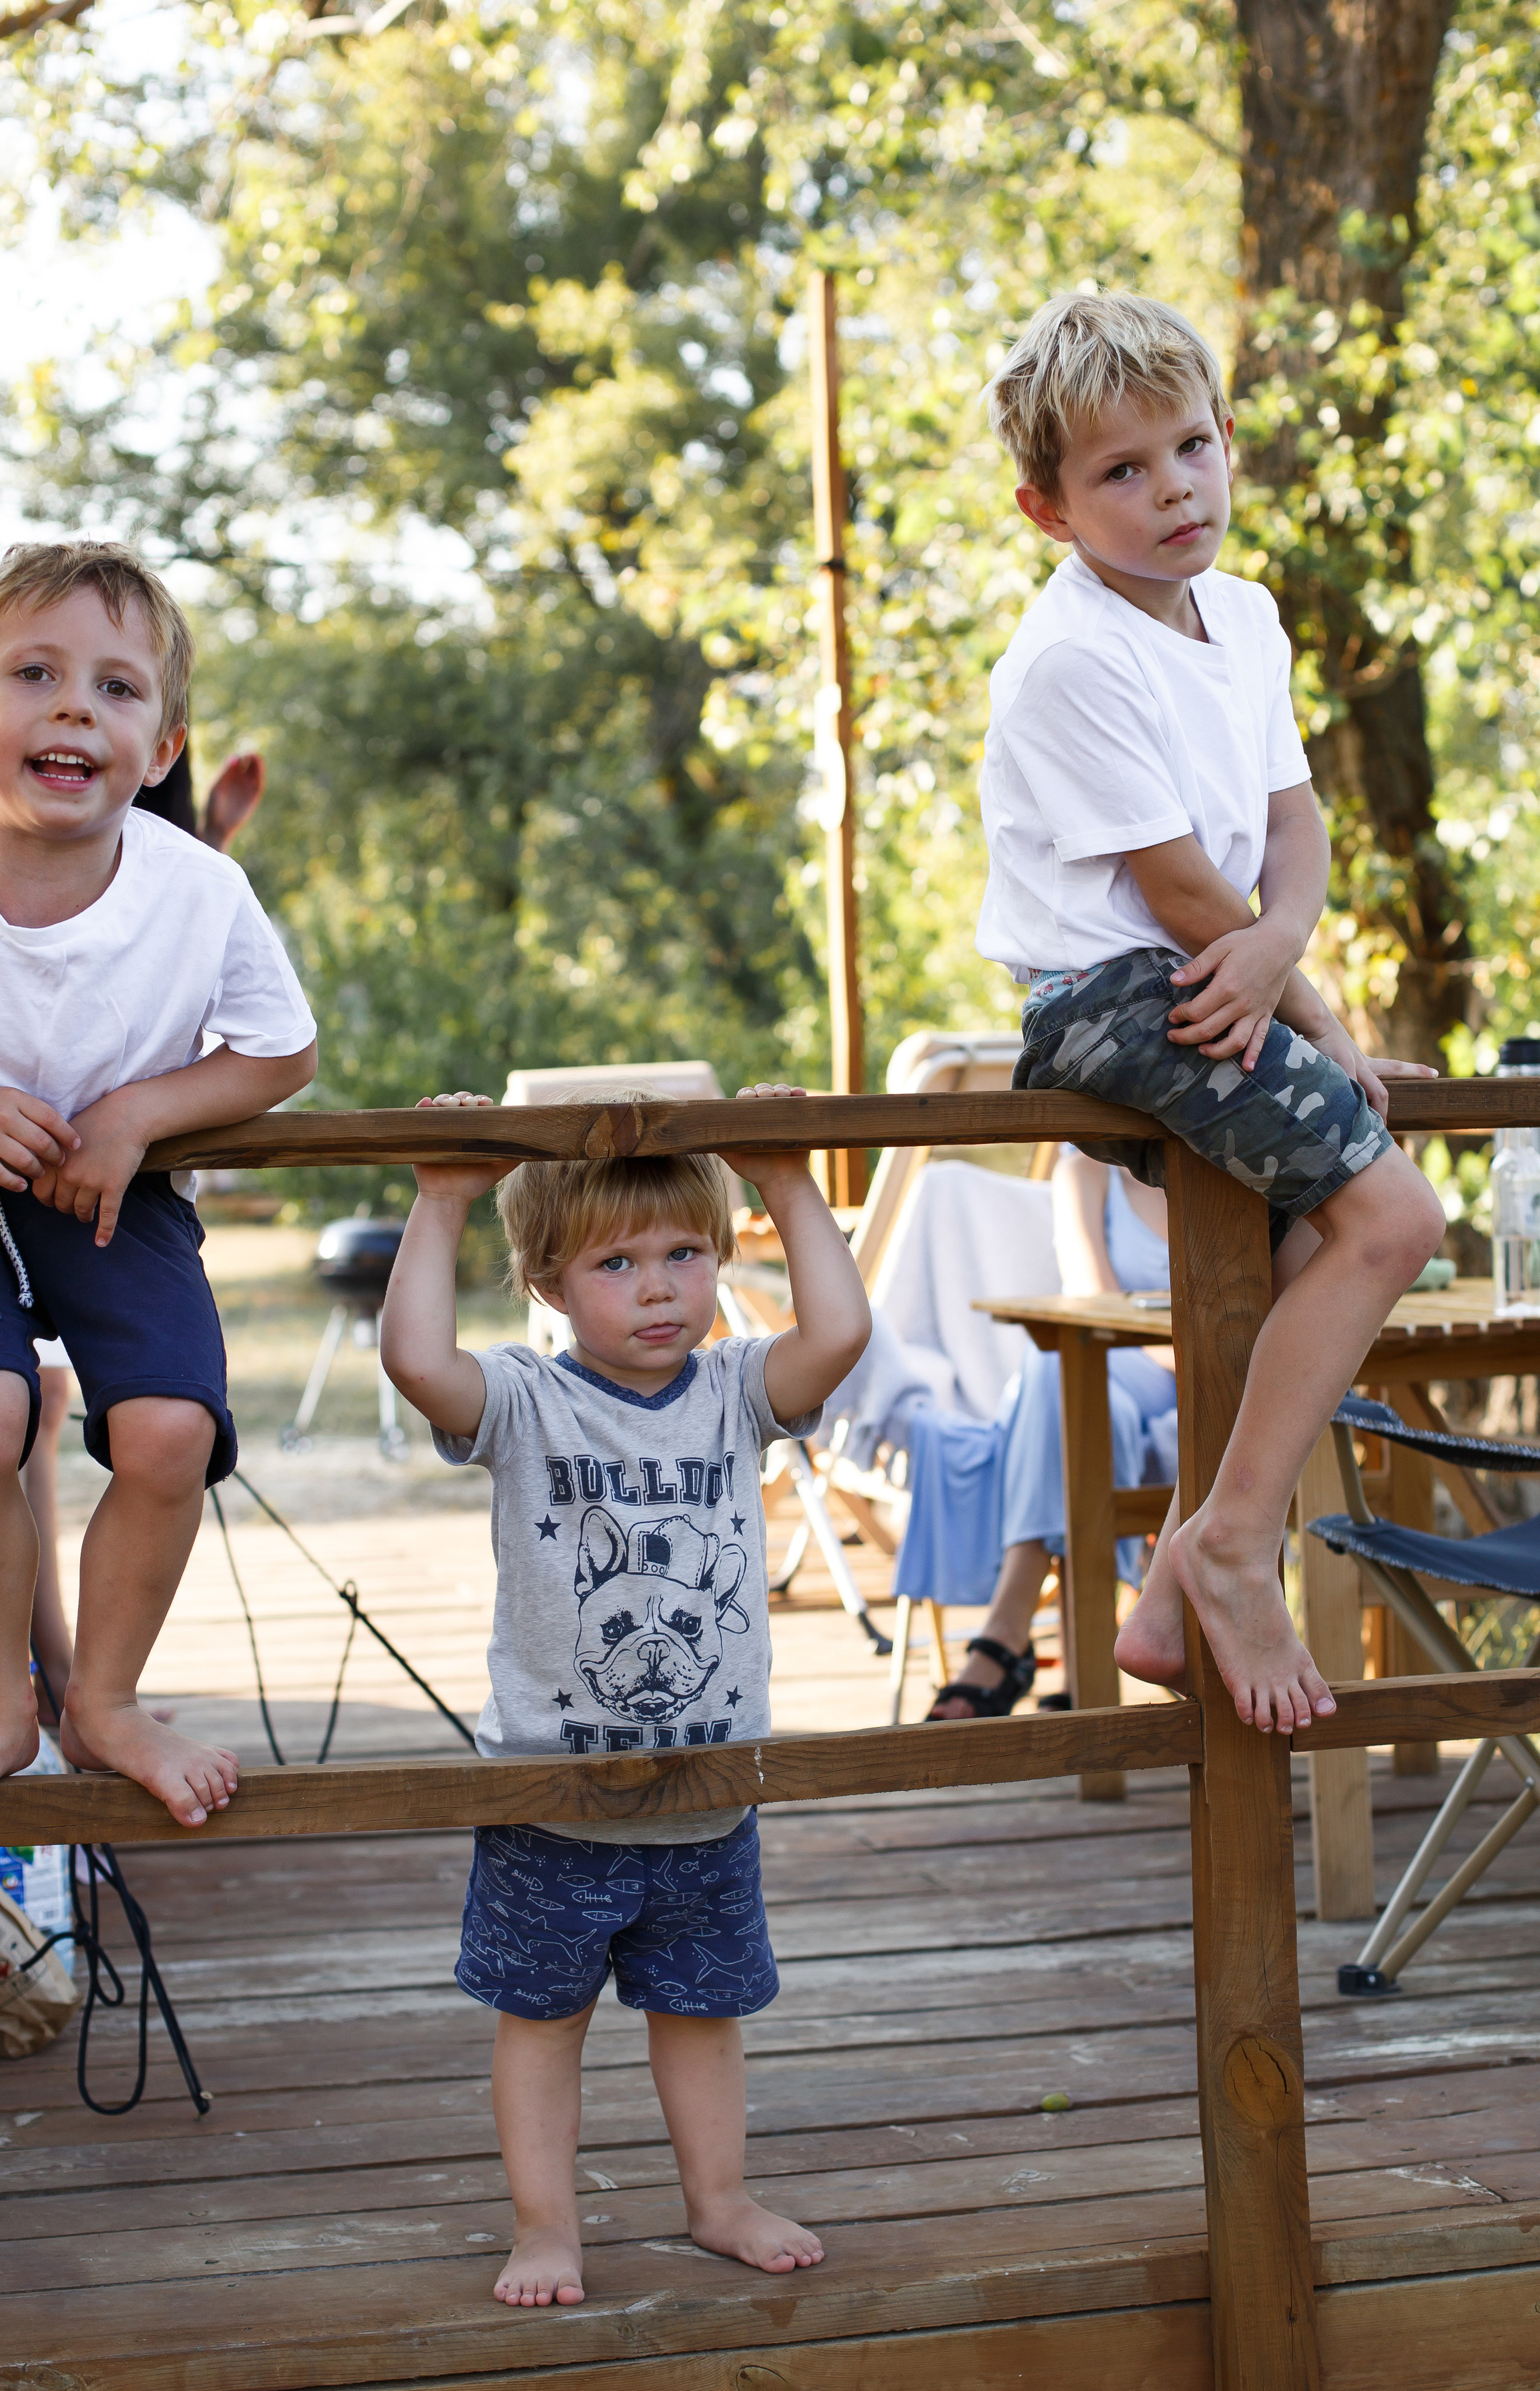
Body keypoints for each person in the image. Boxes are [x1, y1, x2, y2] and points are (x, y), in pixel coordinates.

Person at [975, 290, 1444, 1734]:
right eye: (1118, 471)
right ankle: (1236, 1541)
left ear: (1225, 442)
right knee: (1397, 1222)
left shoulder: (1238, 617)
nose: (1170, 488)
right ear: (1045, 510)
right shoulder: (1065, 661)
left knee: (1312, 1243)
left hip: (1209, 967)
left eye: (1186, 448)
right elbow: (1181, 894)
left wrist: (1309, 997)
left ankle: (1175, 1588)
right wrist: (1294, 1001)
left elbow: (1285, 836)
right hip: (1106, 1000)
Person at [0, 539, 318, 1849]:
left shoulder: (200, 889)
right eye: (35, 675)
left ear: (160, 746)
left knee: (170, 1434)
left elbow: (280, 1050)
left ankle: (104, 1702)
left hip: (121, 1180)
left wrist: (141, 1115)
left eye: (115, 690)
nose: (71, 709)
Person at [380, 1083, 870, 2308]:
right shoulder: (525, 1402)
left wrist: (789, 1179)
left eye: (684, 1254)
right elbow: (413, 1358)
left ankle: (718, 2200)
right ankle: (546, 2226)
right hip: (554, 1801)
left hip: (709, 1798)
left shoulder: (738, 1390)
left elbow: (843, 1333)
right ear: (549, 1283)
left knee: (702, 2014)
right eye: (616, 1262)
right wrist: (442, 1196)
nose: (660, 1287)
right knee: (543, 2021)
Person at [27, 738, 269, 1714]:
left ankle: (81, 1680)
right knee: (11, 1409)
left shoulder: (187, 880)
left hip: (129, 1172)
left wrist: (209, 836)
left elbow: (194, 975)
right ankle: (47, 1671)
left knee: (142, 1423)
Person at [928, 1150, 1176, 1720]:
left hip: (1204, 1379)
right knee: (1056, 1366)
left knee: (1052, 1380)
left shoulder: (1233, 1151)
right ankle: (1067, 1650)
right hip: (1119, 1359)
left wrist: (1206, 1357)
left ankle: (1008, 1640)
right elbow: (1095, 1302)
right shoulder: (1088, 1169)